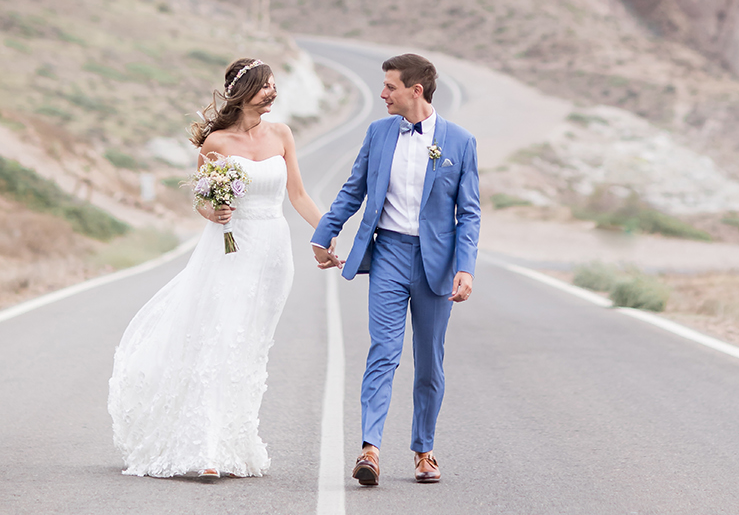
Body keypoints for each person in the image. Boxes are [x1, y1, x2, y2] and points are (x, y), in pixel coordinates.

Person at [108, 56, 323, 480]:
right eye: (265, 88)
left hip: (274, 252)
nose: (273, 94)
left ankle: (234, 441)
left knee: (250, 348)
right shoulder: (217, 144)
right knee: (219, 340)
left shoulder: (282, 134)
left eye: (275, 87)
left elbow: (298, 195)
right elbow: (202, 201)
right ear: (243, 92)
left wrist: (327, 234)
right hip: (231, 249)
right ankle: (205, 449)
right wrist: (214, 212)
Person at [312, 52, 480, 486]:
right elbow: (354, 189)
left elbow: (470, 214)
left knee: (429, 363)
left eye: (389, 87)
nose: (382, 94)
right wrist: (323, 234)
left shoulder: (460, 142)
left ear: (415, 90)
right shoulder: (378, 133)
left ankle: (424, 451)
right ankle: (370, 449)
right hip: (387, 253)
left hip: (436, 266)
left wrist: (466, 267)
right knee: (383, 352)